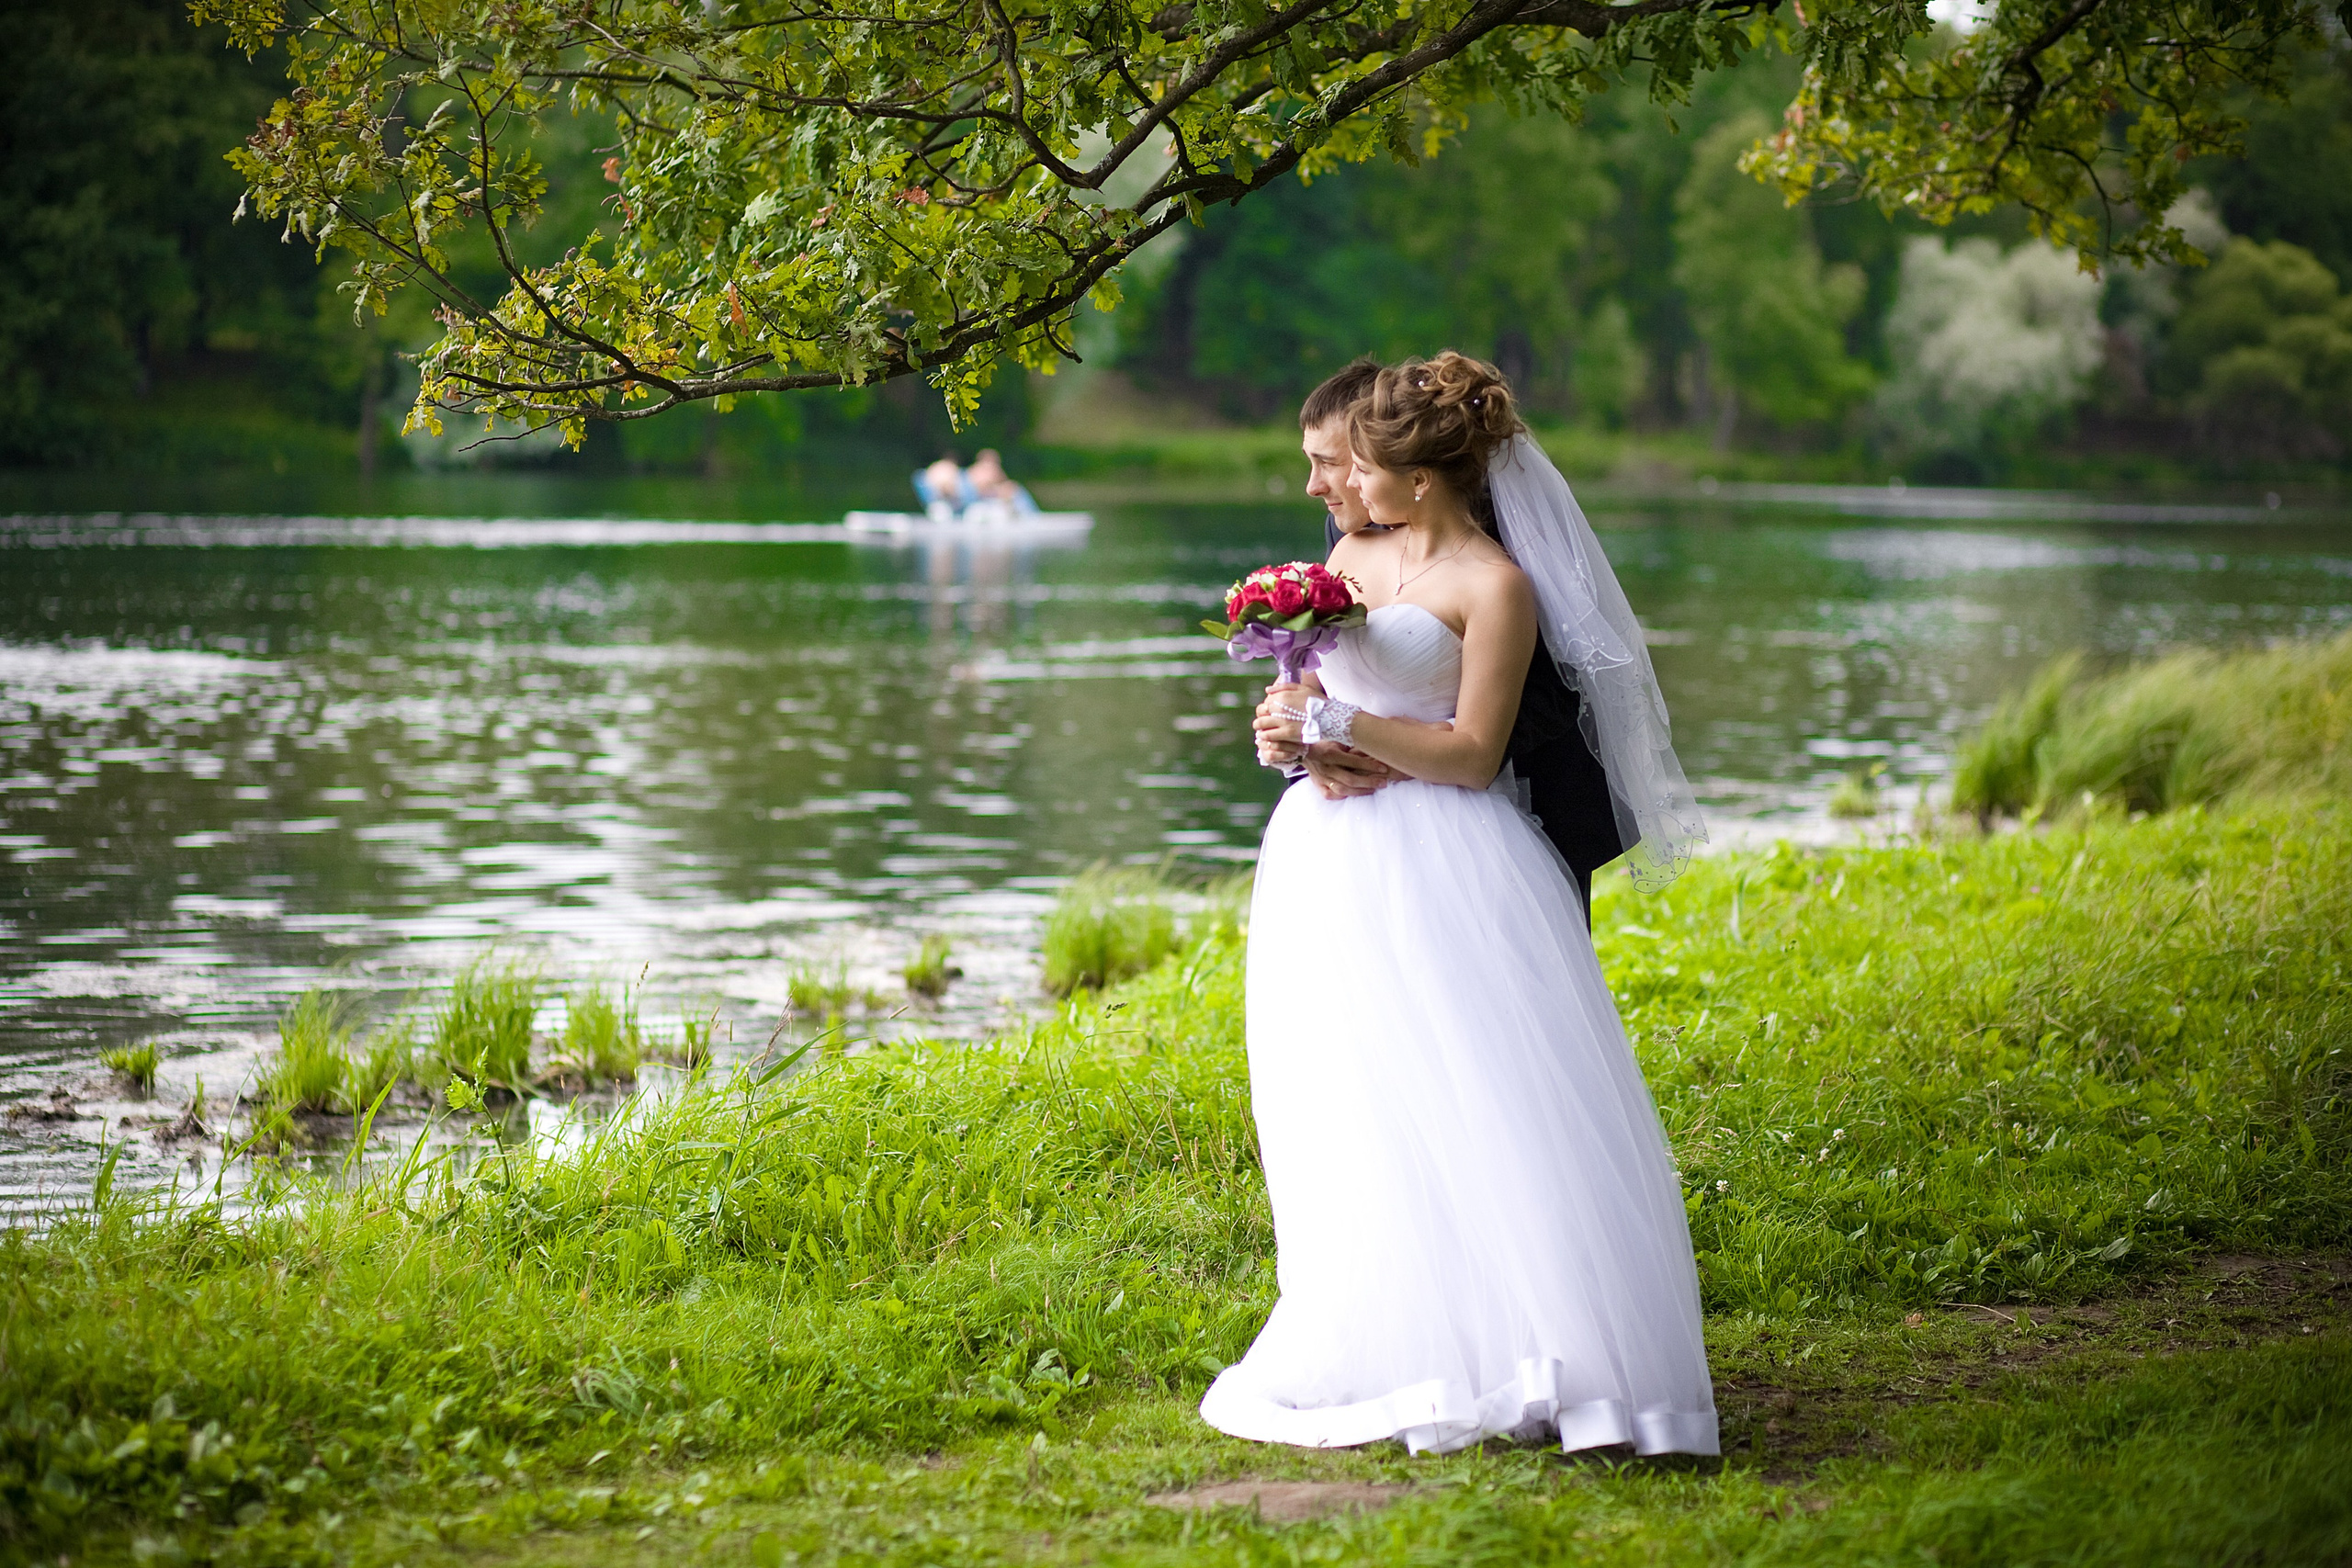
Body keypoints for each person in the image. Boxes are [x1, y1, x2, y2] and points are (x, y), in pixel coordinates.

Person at [1199, 352, 1716, 1459]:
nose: (1339, 486)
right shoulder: (1348, 555)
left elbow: (1473, 755)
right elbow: (1326, 694)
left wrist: (1345, 733)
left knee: (1482, 1087)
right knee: (1355, 1089)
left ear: (1418, 478)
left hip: (1453, 858)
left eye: (1360, 466)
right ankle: (1392, 1324)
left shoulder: (1498, 587)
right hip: (1329, 857)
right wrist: (1291, 727)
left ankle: (1539, 1346)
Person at [1279, 361, 1623, 919]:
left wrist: (1401, 749)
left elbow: (1546, 693)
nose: (1317, 484)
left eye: (1335, 463)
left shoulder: (1503, 549)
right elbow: (1316, 679)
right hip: (1355, 814)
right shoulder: (1351, 538)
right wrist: (1308, 747)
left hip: (1522, 789)